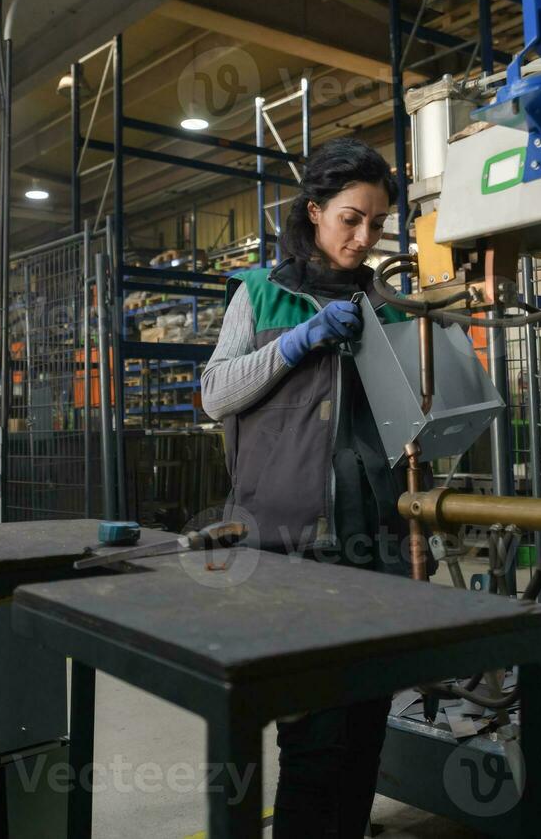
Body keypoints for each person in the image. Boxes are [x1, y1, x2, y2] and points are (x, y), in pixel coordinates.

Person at [201, 137, 411, 837]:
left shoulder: (386, 308)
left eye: (377, 224)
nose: (364, 237)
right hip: (290, 548)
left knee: (364, 735)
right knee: (314, 740)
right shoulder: (261, 293)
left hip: (373, 548)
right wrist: (297, 342)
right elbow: (215, 393)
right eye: (351, 218)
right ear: (315, 212)